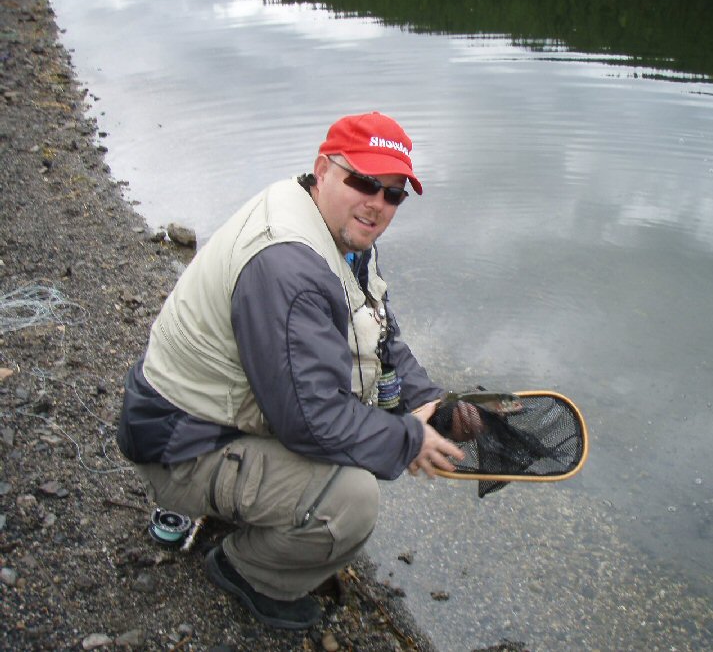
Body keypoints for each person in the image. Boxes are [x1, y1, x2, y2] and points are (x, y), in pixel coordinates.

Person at [117, 112, 467, 630]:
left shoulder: (334, 230)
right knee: (352, 499)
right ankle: (247, 570)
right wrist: (408, 440)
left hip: (206, 417)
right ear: (323, 169)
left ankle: (249, 511)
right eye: (364, 182)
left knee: (362, 433)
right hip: (180, 445)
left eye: (393, 193)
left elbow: (379, 332)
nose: (377, 204)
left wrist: (428, 400)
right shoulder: (289, 265)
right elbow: (311, 422)